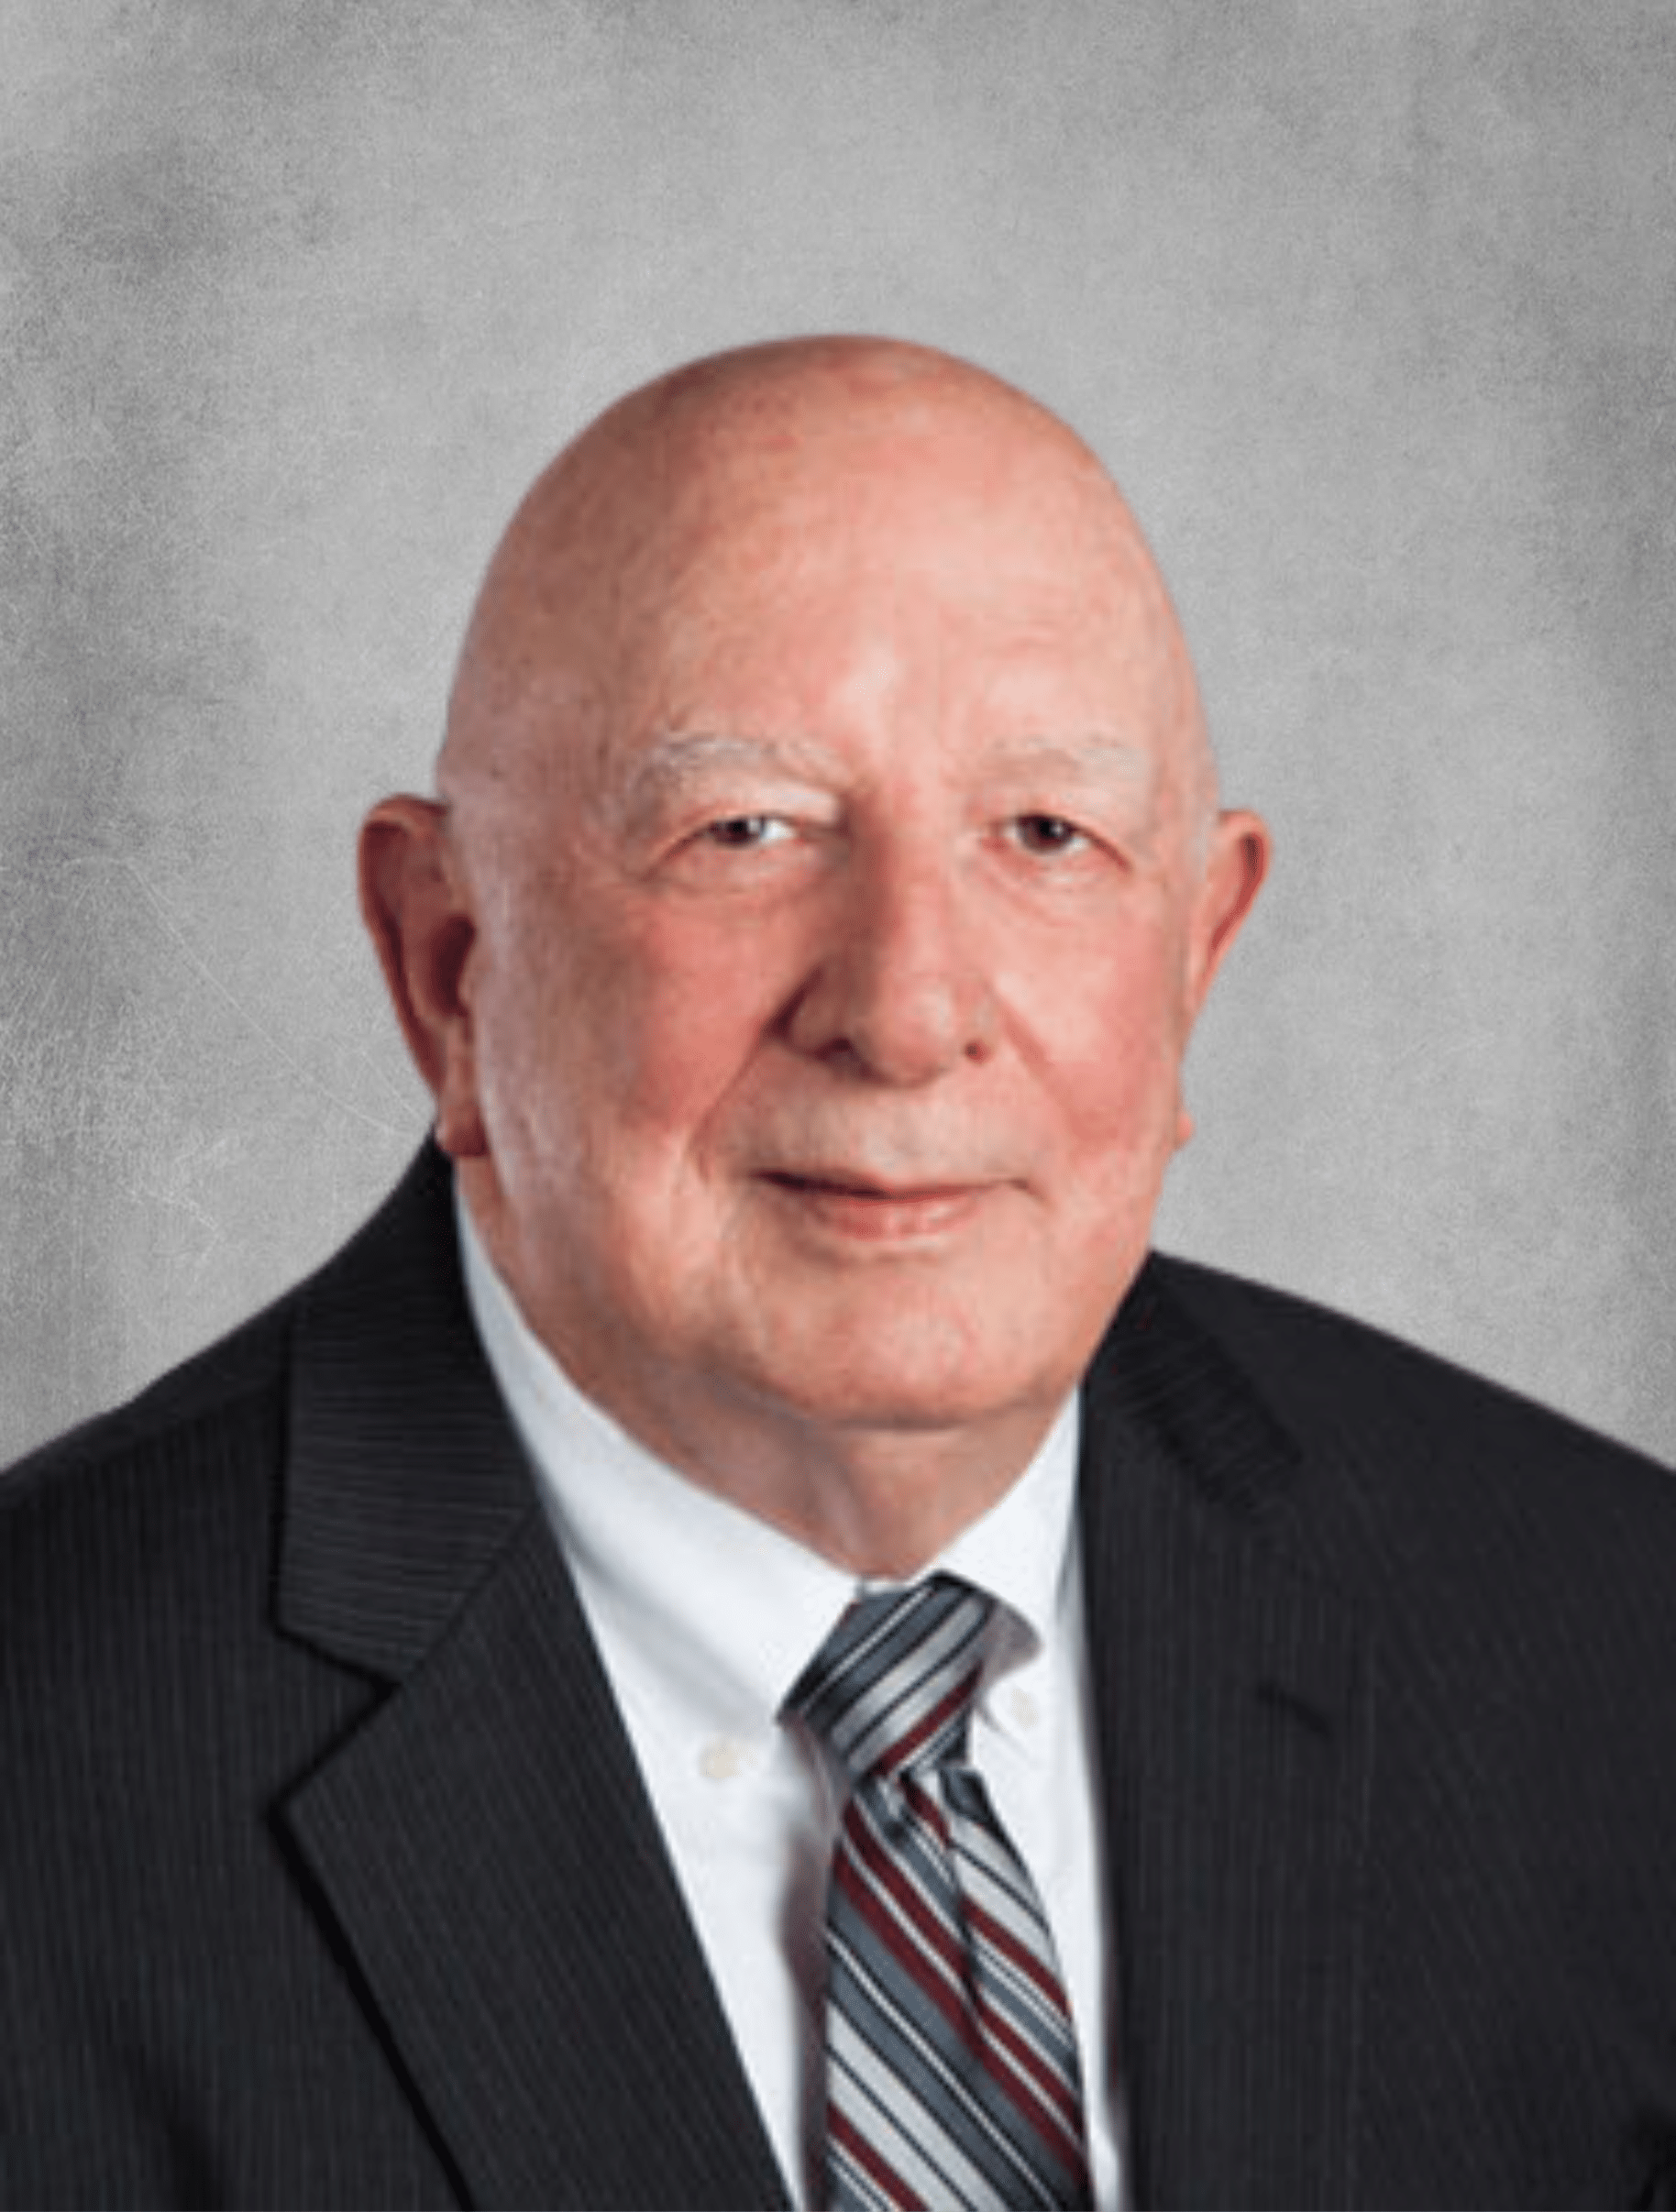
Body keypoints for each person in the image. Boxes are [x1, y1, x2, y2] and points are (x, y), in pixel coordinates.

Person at [2, 336, 1673, 2212]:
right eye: (745, 832)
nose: (902, 1011)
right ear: (450, 969)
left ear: (1195, 950)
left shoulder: (1608, 1650)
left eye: (1045, 835)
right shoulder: (44, 1782)